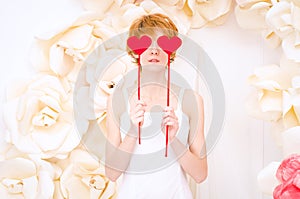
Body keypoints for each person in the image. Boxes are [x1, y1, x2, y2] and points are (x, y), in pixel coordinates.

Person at [105, 13, 207, 199]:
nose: (154, 50)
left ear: (171, 51)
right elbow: (111, 173)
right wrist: (133, 131)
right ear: (136, 50)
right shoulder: (117, 99)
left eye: (161, 43)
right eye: (146, 42)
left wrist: (174, 139)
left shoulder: (192, 100)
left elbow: (200, 175)